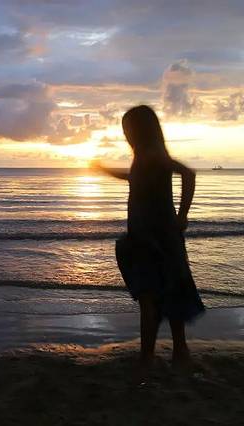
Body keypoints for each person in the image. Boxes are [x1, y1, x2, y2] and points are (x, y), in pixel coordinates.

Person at [93, 105, 204, 376]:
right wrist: (105, 171)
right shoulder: (145, 157)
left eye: (128, 130)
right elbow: (133, 179)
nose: (126, 135)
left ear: (141, 131)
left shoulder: (152, 155)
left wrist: (183, 215)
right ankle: (178, 354)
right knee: (169, 293)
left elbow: (188, 174)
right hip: (150, 236)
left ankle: (148, 359)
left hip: (156, 237)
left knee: (150, 298)